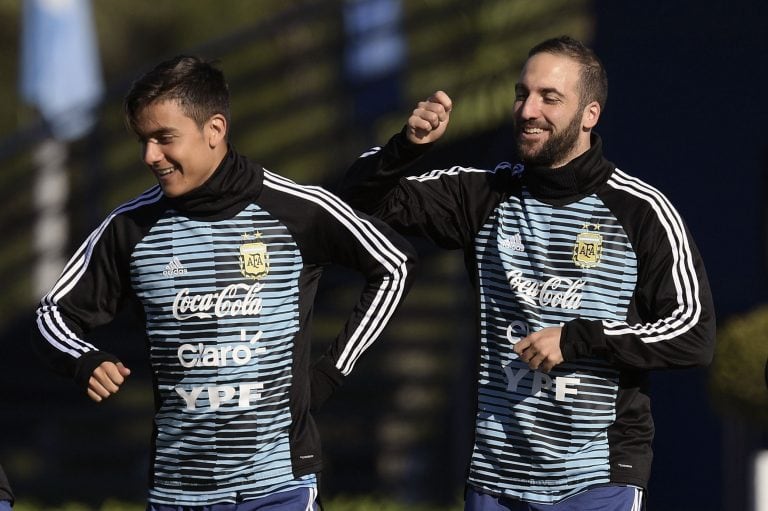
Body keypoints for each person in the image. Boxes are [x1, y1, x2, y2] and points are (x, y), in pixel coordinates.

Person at [338, 35, 716, 510]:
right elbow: (358, 201)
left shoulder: (642, 211)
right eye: (522, 94)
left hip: (597, 479)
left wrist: (578, 339)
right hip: (495, 480)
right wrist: (405, 148)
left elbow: (693, 335)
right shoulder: (483, 194)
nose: (528, 110)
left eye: (549, 98)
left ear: (590, 114)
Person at [31, 55, 417, 510]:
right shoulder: (129, 227)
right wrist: (84, 359)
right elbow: (51, 314)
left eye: (163, 138)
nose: (149, 156)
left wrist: (331, 371)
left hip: (279, 488)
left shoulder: (296, 209)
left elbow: (394, 265)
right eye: (143, 141)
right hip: (178, 493)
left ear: (214, 130)